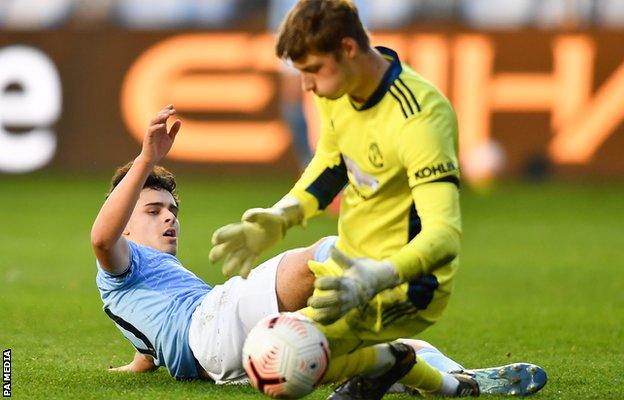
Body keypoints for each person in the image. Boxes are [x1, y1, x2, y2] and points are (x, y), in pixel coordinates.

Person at [209, 1, 547, 398]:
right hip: (346, 267)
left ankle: (394, 365)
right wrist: (281, 216)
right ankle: (441, 382)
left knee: (284, 362)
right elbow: (331, 165)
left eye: (313, 70)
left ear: (348, 49)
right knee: (266, 352)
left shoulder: (420, 117)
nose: (306, 85)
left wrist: (377, 276)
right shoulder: (337, 90)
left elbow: (444, 236)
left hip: (406, 284)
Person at [93, 105, 546, 398]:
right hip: (212, 322)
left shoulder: (145, 284)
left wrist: (135, 367)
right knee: (325, 253)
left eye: (172, 209)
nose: (170, 217)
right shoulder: (119, 265)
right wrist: (145, 161)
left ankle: (455, 382)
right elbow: (101, 238)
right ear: (126, 223)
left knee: (389, 345)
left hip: (225, 348)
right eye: (153, 211)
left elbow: (148, 344)